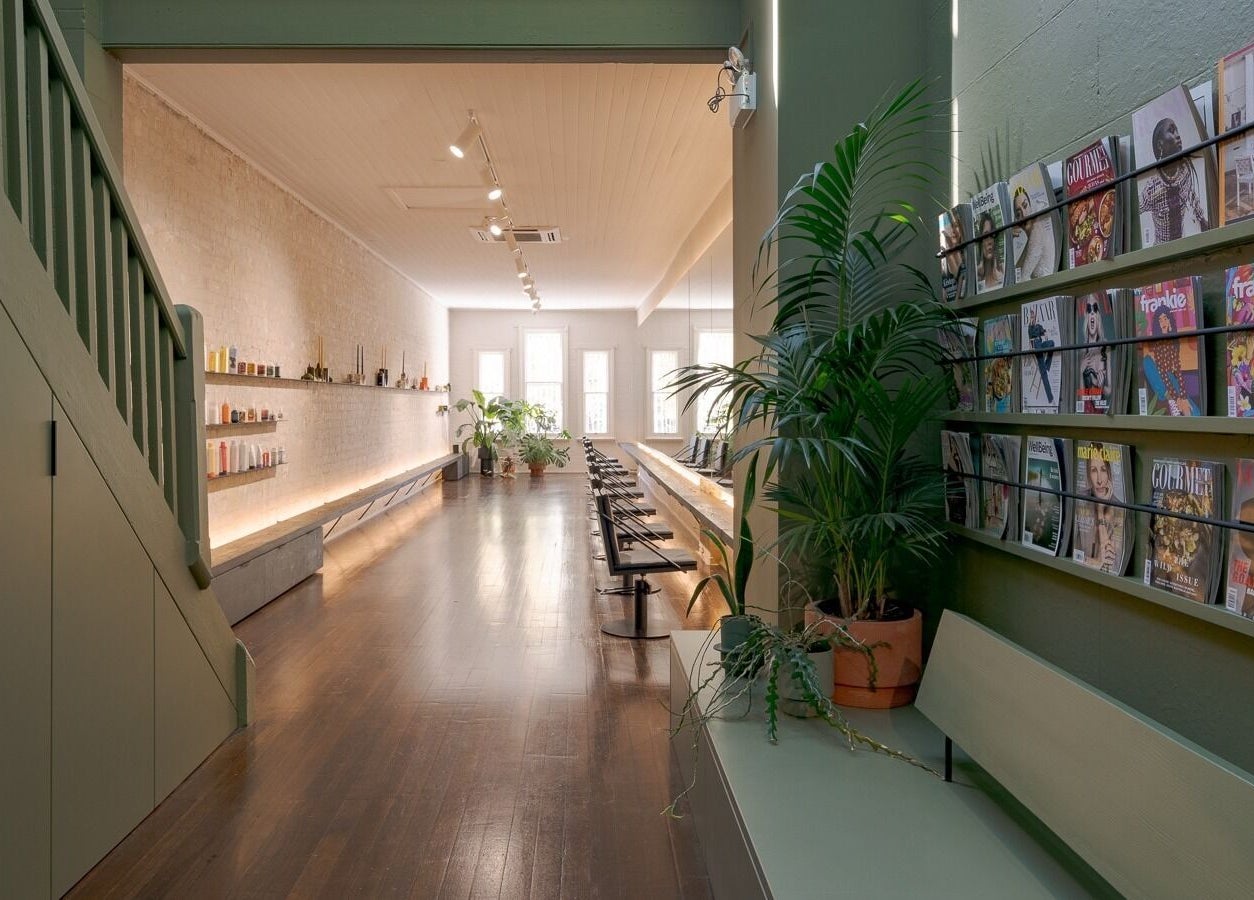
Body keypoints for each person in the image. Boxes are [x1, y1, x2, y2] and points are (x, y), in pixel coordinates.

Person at [1139, 116, 1209, 244]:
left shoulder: (1185, 172)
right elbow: (1135, 210)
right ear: (1160, 144)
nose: (1178, 136)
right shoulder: (1151, 188)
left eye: (1177, 130)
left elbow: (1191, 193)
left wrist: (1202, 219)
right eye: (1171, 131)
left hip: (1182, 244)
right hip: (1160, 252)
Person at [1143, 304, 1201, 415]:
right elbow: (1162, 371)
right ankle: (1172, 401)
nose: (1163, 322)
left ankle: (1177, 404)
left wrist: (1183, 397)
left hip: (1171, 379)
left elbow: (1177, 370)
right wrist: (1176, 398)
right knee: (1147, 361)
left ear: (1169, 321)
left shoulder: (1174, 341)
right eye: (1160, 320)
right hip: (1161, 377)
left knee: (1195, 412)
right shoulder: (1158, 342)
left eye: (1165, 318)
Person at [1012, 184, 1057, 280]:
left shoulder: (1038, 230)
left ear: (1031, 206)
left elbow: (1022, 279)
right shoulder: (1031, 241)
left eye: (1025, 206)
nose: (1023, 215)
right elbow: (1017, 271)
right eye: (1018, 213)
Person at [1078, 294, 1110, 411]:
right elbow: (1081, 399)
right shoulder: (1082, 350)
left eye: (1095, 309)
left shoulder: (1105, 347)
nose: (1092, 313)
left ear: (1098, 316)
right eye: (1089, 309)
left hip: (1101, 410)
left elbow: (1109, 390)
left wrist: (1100, 386)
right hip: (1086, 410)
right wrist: (1081, 372)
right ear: (1086, 316)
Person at [1026, 305, 1056, 405]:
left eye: (1034, 316)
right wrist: (1032, 347)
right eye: (1032, 317)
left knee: (1051, 343)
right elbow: (1030, 336)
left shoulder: (1039, 326)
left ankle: (1048, 364)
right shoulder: (1030, 327)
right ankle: (1050, 397)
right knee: (1044, 373)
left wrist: (1046, 333)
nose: (1034, 318)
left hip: (1041, 344)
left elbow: (1044, 332)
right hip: (1036, 346)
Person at [976, 212, 1004, 292]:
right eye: (985, 235)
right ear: (980, 242)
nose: (990, 241)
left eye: (992, 235)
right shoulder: (976, 275)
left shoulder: (1003, 270)